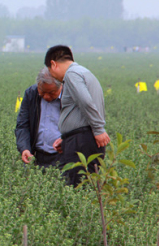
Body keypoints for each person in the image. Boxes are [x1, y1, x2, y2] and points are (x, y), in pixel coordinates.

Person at [44, 45, 110, 186]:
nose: (52, 76)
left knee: (77, 186)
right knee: (87, 184)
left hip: (82, 142)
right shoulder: (84, 72)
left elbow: (85, 101)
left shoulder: (72, 75)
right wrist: (66, 138)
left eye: (50, 71)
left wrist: (98, 129)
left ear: (53, 64)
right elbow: (80, 109)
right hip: (82, 138)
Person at [15, 68, 63, 169]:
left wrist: (67, 141)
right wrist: (25, 149)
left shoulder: (71, 96)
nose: (46, 96)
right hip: (36, 156)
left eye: (51, 92)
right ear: (38, 85)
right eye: (42, 92)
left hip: (63, 157)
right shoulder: (31, 94)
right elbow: (22, 125)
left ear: (61, 86)